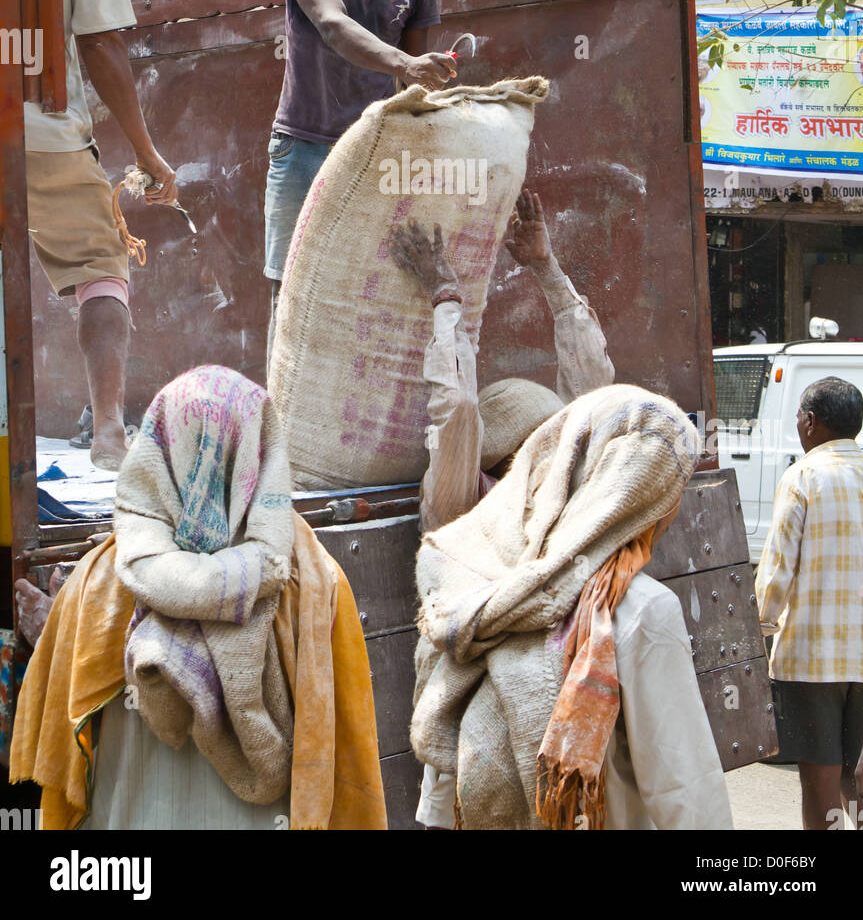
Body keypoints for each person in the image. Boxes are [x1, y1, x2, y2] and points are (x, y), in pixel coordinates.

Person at [10, 366, 387, 831]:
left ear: (156, 453)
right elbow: (346, 745)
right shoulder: (310, 583)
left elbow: (65, 729)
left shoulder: (100, 583)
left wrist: (55, 622)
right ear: (262, 455)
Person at [410, 383, 732, 830]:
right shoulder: (641, 609)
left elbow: (445, 774)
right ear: (644, 494)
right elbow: (684, 790)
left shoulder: (481, 582)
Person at [17, 0, 177, 470]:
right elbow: (102, 46)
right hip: (45, 131)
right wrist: (147, 155)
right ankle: (110, 433)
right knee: (102, 266)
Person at [265, 0, 456, 354]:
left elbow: (412, 91)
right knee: (290, 291)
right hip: (303, 146)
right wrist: (407, 63)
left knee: (370, 287)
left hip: (376, 156)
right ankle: (281, 427)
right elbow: (331, 24)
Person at [390, 189, 614, 534]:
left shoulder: (562, 484)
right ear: (508, 459)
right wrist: (444, 292)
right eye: (540, 442)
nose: (552, 454)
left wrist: (548, 270)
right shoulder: (460, 501)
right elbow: (457, 407)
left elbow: (593, 385)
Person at [755, 375, 863, 831]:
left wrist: (759, 629)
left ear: (811, 422)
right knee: (858, 782)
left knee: (819, 785)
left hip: (810, 661)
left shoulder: (803, 476)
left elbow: (777, 570)